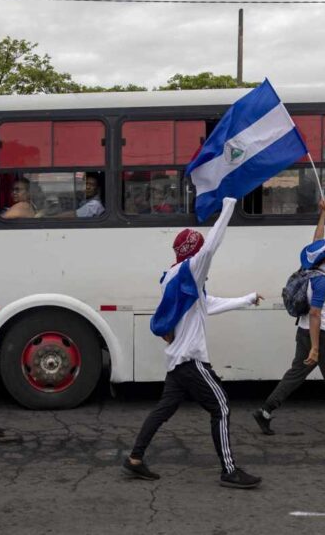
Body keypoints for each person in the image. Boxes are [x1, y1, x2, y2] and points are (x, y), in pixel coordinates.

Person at [123, 197, 264, 489]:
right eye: (201, 254)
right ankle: (229, 470)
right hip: (190, 359)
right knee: (222, 407)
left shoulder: (172, 277)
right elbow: (212, 244)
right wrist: (228, 206)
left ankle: (135, 459)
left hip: (177, 360)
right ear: (194, 252)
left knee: (163, 410)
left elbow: (207, 305)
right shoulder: (191, 269)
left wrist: (246, 299)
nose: (206, 261)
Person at [253, 198, 325, 442]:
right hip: (320, 336)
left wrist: (323, 215)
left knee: (295, 374)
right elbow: (315, 314)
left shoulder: (307, 270)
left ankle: (265, 411)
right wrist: (316, 348)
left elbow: (316, 243)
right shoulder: (322, 281)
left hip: (302, 332)